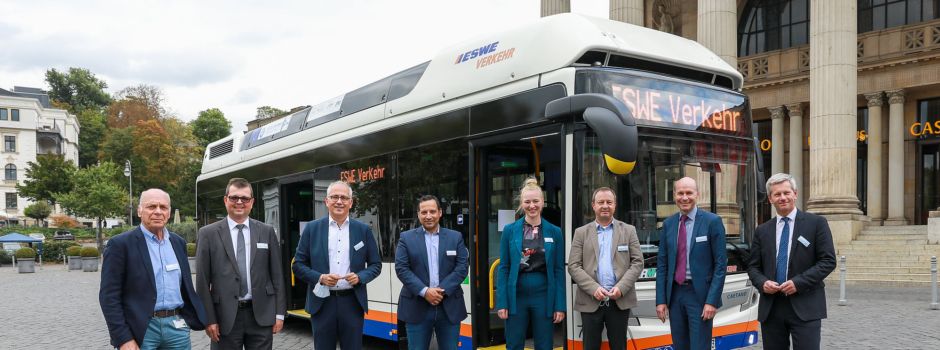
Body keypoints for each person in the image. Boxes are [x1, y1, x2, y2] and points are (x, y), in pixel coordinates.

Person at [99, 189, 206, 350]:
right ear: (139, 211)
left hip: (176, 328)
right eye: (151, 206)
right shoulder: (121, 245)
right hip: (141, 328)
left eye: (163, 207)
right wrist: (123, 338)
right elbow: (109, 297)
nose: (158, 212)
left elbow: (185, 287)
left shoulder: (178, 243)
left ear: (169, 213)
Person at [747, 173, 836, 350]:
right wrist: (762, 283)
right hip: (772, 308)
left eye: (786, 193)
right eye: (777, 194)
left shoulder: (816, 223)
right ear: (770, 199)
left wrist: (798, 283)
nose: (783, 198)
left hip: (805, 305)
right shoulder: (762, 230)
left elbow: (828, 261)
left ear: (795, 194)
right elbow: (753, 266)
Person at [195, 178, 286, 349]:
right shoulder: (208, 234)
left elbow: (277, 276)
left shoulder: (266, 231)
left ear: (252, 202)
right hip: (224, 318)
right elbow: (202, 282)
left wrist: (279, 313)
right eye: (234, 197)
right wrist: (209, 319)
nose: (239, 202)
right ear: (225, 200)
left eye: (244, 198)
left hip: (261, 315)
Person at [292, 181, 382, 350]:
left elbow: (376, 265)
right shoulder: (312, 229)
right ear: (326, 201)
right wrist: (320, 278)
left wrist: (360, 277)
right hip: (322, 302)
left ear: (351, 202)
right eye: (334, 197)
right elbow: (298, 265)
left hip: (352, 302)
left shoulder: (363, 230)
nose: (339, 201)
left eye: (344, 197)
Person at [655, 177, 726, 350]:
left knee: (700, 346)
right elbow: (662, 264)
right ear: (674, 195)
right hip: (675, 294)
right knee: (680, 346)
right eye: (680, 193)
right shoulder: (668, 224)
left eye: (689, 193)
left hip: (700, 297)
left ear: (697, 195)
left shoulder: (712, 221)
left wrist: (712, 301)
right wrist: (661, 300)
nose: (684, 197)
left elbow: (720, 265)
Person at [568, 187, 643, 350]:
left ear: (615, 205)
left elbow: (637, 263)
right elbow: (573, 266)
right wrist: (594, 288)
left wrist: (621, 288)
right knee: (590, 346)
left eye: (609, 202)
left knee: (619, 346)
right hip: (590, 300)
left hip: (619, 300)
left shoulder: (629, 231)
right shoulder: (581, 233)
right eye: (600, 202)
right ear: (593, 205)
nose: (605, 206)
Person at [495, 177, 566, 350]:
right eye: (527, 201)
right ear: (521, 203)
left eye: (536, 201)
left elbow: (558, 270)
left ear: (542, 202)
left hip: (544, 295)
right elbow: (504, 268)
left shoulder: (555, 232)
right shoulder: (509, 231)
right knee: (514, 343)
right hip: (516, 295)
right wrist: (502, 302)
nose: (532, 205)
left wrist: (559, 305)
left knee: (544, 344)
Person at [395, 195, 469, 350]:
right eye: (424, 212)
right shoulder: (406, 238)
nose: (428, 216)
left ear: (440, 213)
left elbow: (462, 267)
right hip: (416, 306)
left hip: (449, 307)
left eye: (432, 211)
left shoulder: (455, 237)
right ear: (418, 214)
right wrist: (425, 291)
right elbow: (402, 268)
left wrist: (441, 291)